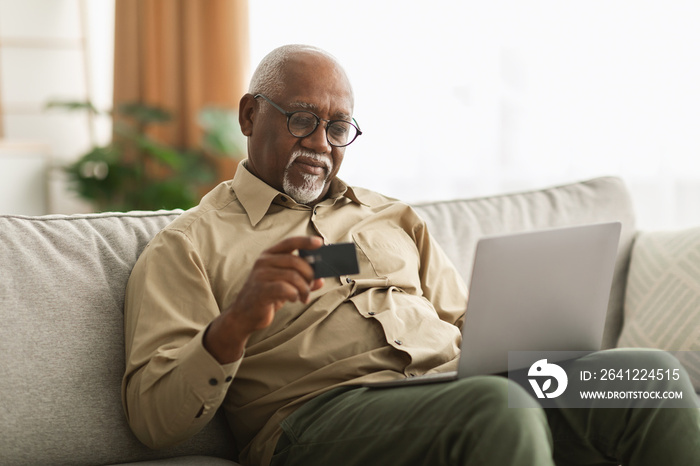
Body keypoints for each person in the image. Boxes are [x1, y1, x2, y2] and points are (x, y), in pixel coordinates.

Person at [122, 44, 700, 466]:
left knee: (646, 378)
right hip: (319, 420)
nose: (321, 144)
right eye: (301, 120)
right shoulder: (188, 245)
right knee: (494, 405)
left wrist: (531, 341)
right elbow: (154, 420)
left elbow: (469, 326)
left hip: (454, 389)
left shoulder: (391, 216)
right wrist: (237, 322)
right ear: (251, 115)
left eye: (339, 127)